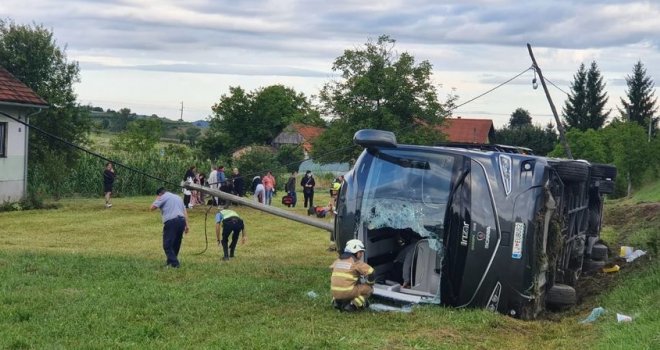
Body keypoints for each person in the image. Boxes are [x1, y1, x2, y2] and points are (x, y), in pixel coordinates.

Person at [330, 239, 375, 312]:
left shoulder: (337, 261)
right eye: (360, 252)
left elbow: (332, 269)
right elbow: (371, 272)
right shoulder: (356, 262)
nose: (361, 255)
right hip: (347, 292)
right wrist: (370, 283)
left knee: (351, 287)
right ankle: (352, 305)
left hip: (334, 292)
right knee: (369, 289)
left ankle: (337, 302)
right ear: (354, 251)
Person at [150, 187, 189, 268]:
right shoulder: (178, 197)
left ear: (160, 194)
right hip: (181, 221)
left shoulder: (163, 196)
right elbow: (184, 211)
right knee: (176, 243)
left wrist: (158, 199)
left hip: (171, 222)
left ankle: (175, 263)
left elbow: (152, 208)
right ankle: (170, 262)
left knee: (167, 245)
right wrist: (187, 225)